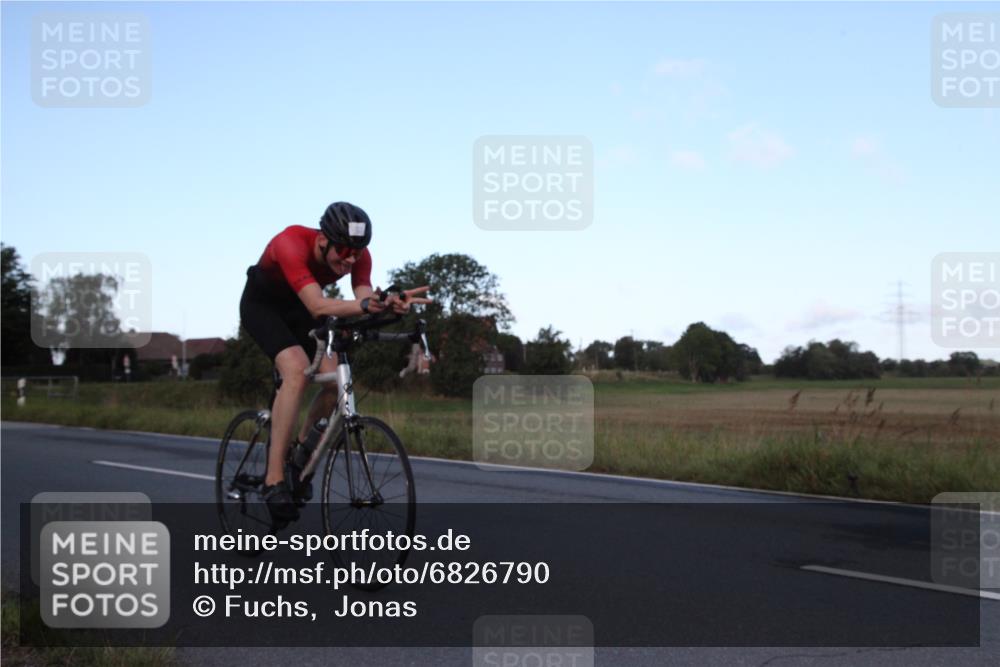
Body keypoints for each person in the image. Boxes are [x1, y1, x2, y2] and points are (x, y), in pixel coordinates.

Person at [239, 202, 431, 525]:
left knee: (334, 383)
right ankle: (273, 480)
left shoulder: (357, 255)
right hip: (264, 306)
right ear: (323, 240)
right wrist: (368, 305)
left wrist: (388, 305)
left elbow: (363, 298)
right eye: (343, 251)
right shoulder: (290, 242)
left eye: (357, 253)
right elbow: (317, 305)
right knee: (297, 371)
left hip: (300, 310)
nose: (349, 260)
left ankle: (299, 457)